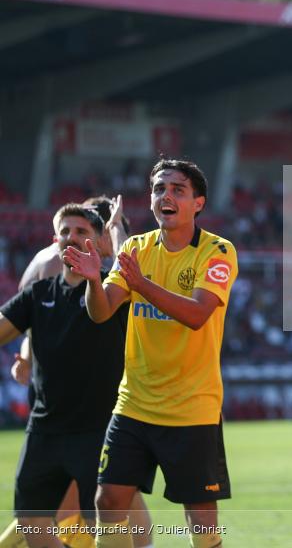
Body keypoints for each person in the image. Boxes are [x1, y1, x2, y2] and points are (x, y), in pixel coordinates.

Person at [64, 159, 237, 548]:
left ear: (198, 203)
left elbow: (196, 315)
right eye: (160, 189)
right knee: (107, 500)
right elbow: (102, 311)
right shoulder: (135, 248)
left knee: (200, 517)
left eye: (178, 189)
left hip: (192, 407)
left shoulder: (218, 251)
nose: (166, 196)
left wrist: (140, 283)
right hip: (135, 405)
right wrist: (94, 281)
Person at [0, 204, 127, 548]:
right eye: (66, 231)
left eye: (82, 231)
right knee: (31, 520)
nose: (72, 238)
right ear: (55, 239)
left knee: (103, 522)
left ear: (99, 241)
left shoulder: (116, 292)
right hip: (45, 429)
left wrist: (118, 241)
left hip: (100, 429)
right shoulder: (38, 294)